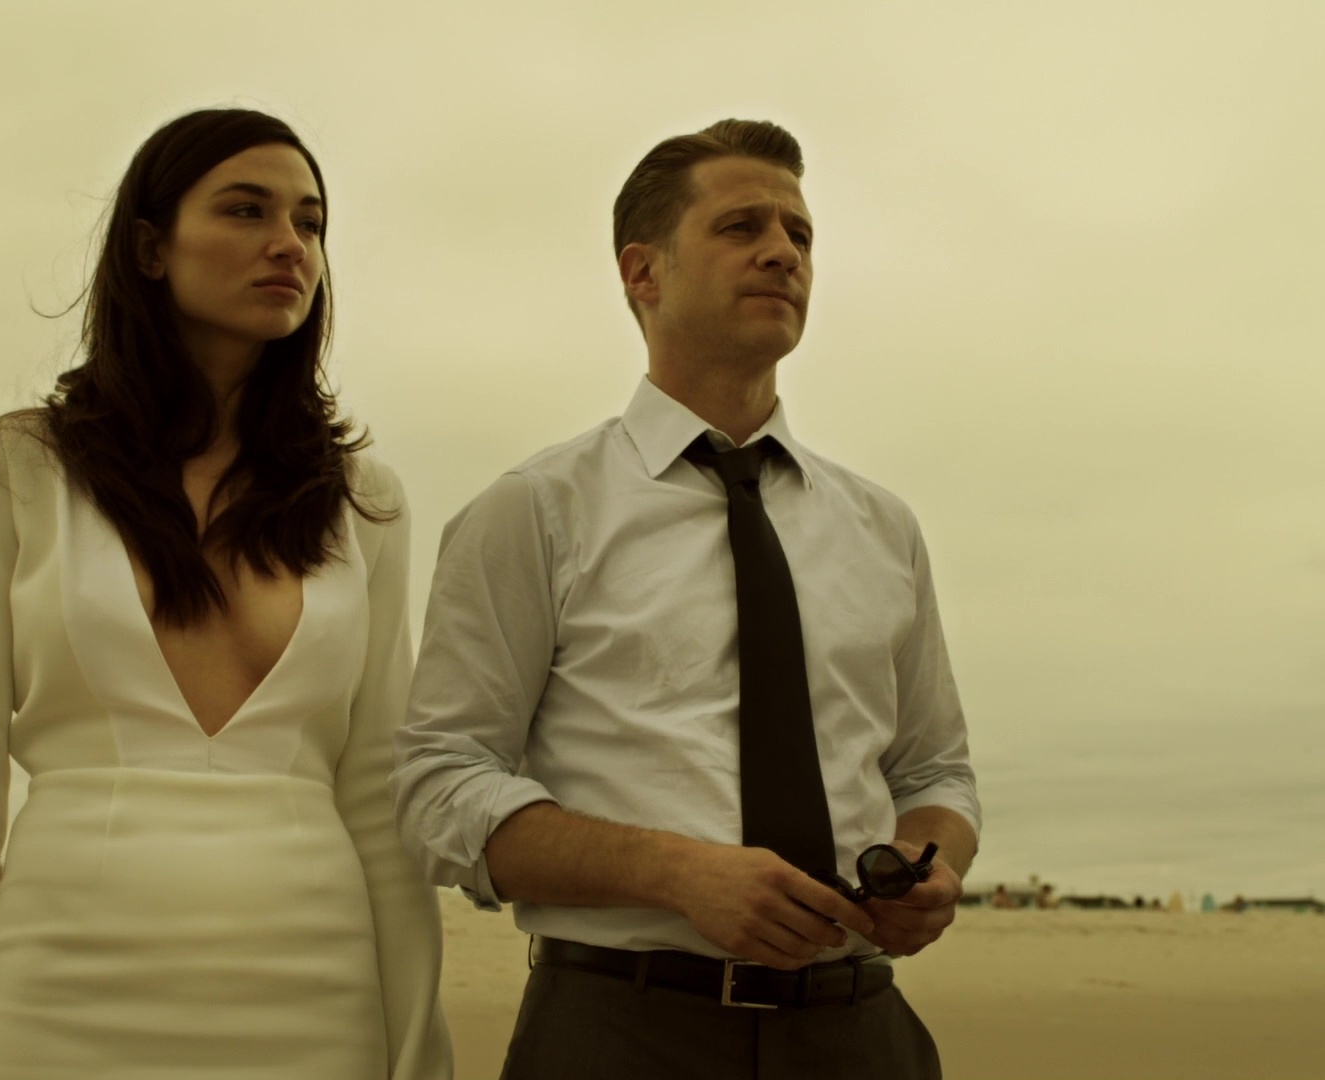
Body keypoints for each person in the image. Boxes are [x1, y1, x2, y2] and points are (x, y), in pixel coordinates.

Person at [392, 119, 980, 1079]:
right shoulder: (534, 510)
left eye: (800, 233)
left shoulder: (883, 528)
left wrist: (929, 865)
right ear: (643, 273)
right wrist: (675, 873)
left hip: (860, 1031)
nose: (783, 252)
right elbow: (439, 784)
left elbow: (934, 773)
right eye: (742, 226)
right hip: (620, 1032)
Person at [0, 108, 451, 1079]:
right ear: (151, 248)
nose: (289, 244)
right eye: (246, 210)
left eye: (310, 222)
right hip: (57, 1001)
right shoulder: (17, 470)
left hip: (316, 1005)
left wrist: (417, 1050)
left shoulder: (362, 501)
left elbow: (376, 795)